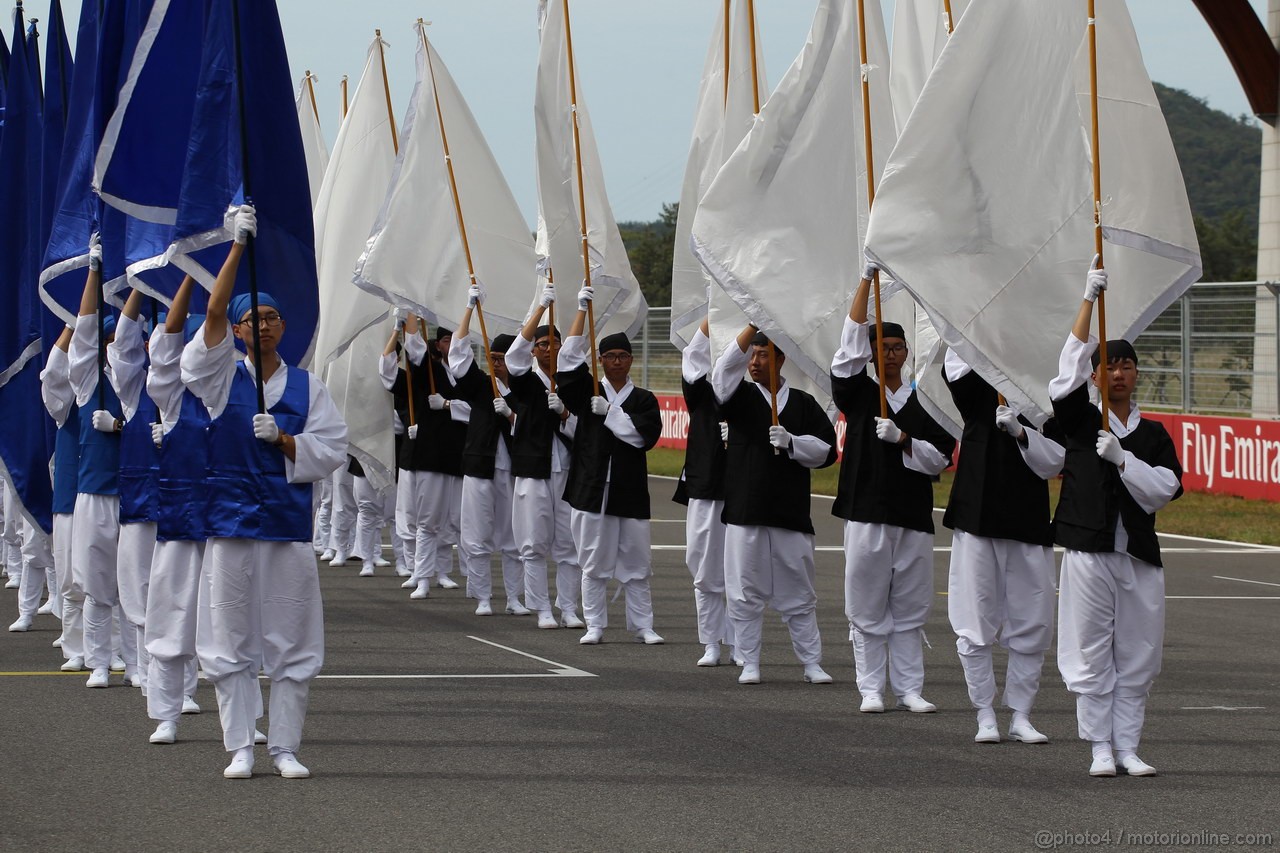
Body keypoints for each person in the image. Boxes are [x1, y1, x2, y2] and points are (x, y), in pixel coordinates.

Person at [180, 205, 347, 780]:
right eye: (256, 318)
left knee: (293, 635)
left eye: (274, 317)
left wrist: (286, 440)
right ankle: (240, 746)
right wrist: (235, 249)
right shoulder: (221, 378)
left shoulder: (307, 385)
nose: (266, 324)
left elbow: (333, 451)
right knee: (229, 634)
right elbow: (214, 312)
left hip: (285, 524)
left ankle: (285, 746)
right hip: (230, 523)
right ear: (241, 330)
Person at [1050, 259, 1182, 778]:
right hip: (1089, 551)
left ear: (1136, 373)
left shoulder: (1151, 436)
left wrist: (1125, 459)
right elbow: (1063, 381)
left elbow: (1163, 490)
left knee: (1138, 652)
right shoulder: (1083, 420)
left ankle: (1128, 745)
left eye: (1127, 365)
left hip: (1139, 557)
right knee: (1089, 651)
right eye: (1108, 366)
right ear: (1096, 374)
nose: (1118, 373)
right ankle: (1099, 747)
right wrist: (1087, 302)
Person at [830, 263, 956, 713]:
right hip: (866, 511)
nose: (889, 354)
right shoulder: (859, 394)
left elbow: (941, 457)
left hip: (912, 514)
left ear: (906, 352)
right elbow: (845, 355)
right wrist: (864, 283)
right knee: (866, 604)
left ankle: (909, 688)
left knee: (909, 604)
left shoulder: (925, 404)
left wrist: (904, 439)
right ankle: (870, 688)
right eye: (880, 347)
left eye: (897, 347)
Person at [942, 348, 1063, 744]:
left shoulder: (1044, 391)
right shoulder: (972, 380)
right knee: (974, 619)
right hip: (977, 512)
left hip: (1028, 517)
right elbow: (957, 347)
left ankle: (1021, 714)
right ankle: (984, 713)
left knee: (1033, 618)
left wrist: (1023, 432)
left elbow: (1055, 461)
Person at [711, 324, 837, 685]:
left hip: (789, 512)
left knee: (798, 591)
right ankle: (749, 660)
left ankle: (811, 661)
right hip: (745, 511)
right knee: (743, 591)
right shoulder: (738, 396)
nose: (754, 361)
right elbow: (721, 374)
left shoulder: (802, 403)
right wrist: (752, 322)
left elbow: (827, 451)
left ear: (781, 358)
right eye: (751, 354)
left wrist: (794, 442)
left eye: (763, 354)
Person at [555, 286, 664, 645]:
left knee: (636, 562)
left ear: (631, 360)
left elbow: (641, 438)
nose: (617, 361)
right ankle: (595, 624)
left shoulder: (645, 399)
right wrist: (582, 313)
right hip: (591, 488)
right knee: (593, 561)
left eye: (623, 356)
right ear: (600, 360)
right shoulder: (588, 393)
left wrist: (612, 414)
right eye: (610, 356)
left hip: (629, 491)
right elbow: (567, 363)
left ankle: (642, 624)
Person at [143, 276, 213, 744]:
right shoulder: (172, 395)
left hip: (232, 522)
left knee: (236, 623)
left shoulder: (248, 391)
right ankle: (167, 711)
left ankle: (244, 718)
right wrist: (193, 267)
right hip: (182, 519)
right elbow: (166, 343)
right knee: (172, 616)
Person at [67, 235, 128, 689]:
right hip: (93, 493)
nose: (111, 342)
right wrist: (93, 269)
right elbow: (84, 330)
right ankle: (99, 660)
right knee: (96, 583)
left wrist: (124, 428)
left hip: (135, 493)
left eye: (119, 336)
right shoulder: (89, 384)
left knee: (134, 584)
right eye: (107, 337)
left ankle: (134, 659)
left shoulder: (146, 381)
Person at [504, 285, 584, 630]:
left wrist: (566, 413)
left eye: (554, 342)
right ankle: (542, 608)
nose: (548, 349)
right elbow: (512, 358)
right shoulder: (524, 381)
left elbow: (585, 431)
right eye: (541, 344)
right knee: (533, 542)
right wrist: (541, 306)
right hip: (533, 470)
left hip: (566, 470)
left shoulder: (572, 382)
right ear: (534, 351)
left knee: (569, 544)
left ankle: (568, 607)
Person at [447, 285, 526, 616]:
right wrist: (468, 309)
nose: (496, 365)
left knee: (513, 537)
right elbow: (458, 357)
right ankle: (482, 597)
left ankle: (514, 598)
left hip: (513, 470)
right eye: (492, 359)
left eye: (501, 360)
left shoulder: (523, 391)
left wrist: (510, 413)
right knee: (477, 535)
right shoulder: (480, 385)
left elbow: (532, 426)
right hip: (479, 467)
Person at [380, 316, 467, 599]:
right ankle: (422, 575)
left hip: (450, 454)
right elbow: (390, 365)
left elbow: (479, 410)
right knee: (419, 517)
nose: (451, 344)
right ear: (438, 345)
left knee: (446, 518)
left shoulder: (468, 374)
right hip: (420, 454)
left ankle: (440, 571)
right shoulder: (425, 369)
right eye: (446, 340)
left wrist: (448, 404)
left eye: (455, 340)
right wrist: (402, 323)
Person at [107, 288, 163, 689]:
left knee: (183, 595)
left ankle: (181, 678)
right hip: (143, 501)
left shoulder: (197, 390)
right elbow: (122, 342)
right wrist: (143, 284)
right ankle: (145, 668)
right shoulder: (132, 389)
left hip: (187, 505)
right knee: (139, 589)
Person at [673, 318, 736, 667]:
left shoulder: (751, 392)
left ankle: (742, 643)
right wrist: (716, 312)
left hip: (742, 488)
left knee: (742, 574)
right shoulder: (699, 390)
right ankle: (712, 640)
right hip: (705, 486)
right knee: (704, 569)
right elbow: (694, 352)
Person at [40, 326, 86, 669]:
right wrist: (72, 323)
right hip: (72, 496)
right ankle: (76, 646)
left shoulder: (126, 384)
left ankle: (112, 648)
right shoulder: (66, 397)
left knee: (112, 580)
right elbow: (53, 373)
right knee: (72, 577)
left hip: (117, 493)